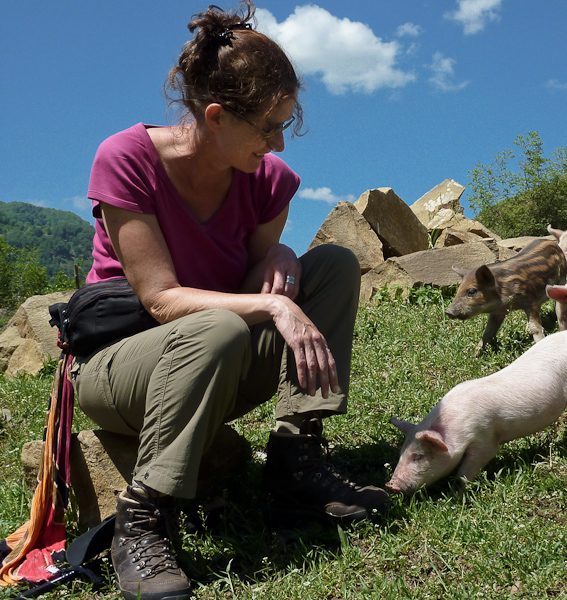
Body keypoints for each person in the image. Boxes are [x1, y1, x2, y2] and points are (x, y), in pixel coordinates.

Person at [70, 2, 388, 599]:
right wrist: (273, 307)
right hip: (122, 370)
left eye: (286, 126)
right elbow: (162, 300)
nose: (279, 145)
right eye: (269, 128)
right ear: (215, 116)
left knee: (333, 266)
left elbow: (250, 278)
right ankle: (142, 519)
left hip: (217, 361)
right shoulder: (127, 159)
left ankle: (296, 457)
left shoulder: (270, 182)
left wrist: (277, 259)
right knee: (217, 327)